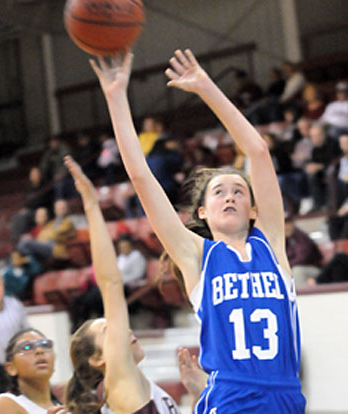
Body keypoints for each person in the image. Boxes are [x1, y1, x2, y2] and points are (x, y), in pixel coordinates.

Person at [89, 49, 306, 412]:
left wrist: (207, 87)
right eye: (219, 192)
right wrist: (115, 99)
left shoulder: (271, 243)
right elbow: (141, 178)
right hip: (232, 397)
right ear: (202, 211)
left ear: (253, 209)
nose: (231, 196)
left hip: (286, 394)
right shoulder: (197, 256)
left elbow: (258, 151)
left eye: (239, 191)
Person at [63, 156, 180, 414]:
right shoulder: (119, 381)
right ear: (98, 360)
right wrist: (92, 205)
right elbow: (111, 282)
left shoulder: (147, 387)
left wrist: (196, 392)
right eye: (109, 330)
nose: (122, 329)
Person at [0, 328, 69, 413]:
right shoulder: (2, 404)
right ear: (11, 368)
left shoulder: (64, 405)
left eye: (45, 345)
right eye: (27, 347)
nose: (39, 351)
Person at [0, 272, 30, 396]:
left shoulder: (15, 304)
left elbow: (27, 330)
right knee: (5, 400)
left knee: (27, 395)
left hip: (19, 361)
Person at [17, 200, 76, 264]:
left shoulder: (68, 222)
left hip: (55, 248)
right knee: (25, 242)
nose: (60, 210)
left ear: (67, 209)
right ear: (55, 210)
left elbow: (56, 234)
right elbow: (42, 234)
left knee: (26, 242)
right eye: (58, 208)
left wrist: (48, 234)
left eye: (63, 208)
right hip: (46, 245)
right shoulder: (52, 223)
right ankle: (25, 260)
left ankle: (27, 260)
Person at [285, 216, 322, 288]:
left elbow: (302, 258)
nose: (286, 226)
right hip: (292, 267)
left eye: (287, 223)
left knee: (297, 271)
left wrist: (286, 266)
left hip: (313, 268)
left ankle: (300, 296)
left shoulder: (301, 237)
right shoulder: (284, 238)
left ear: (292, 224)